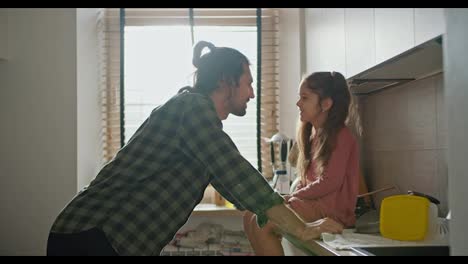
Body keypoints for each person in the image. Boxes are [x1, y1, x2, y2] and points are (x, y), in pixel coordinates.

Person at [46, 41, 343, 256]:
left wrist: (285, 216)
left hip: (101, 239)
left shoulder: (197, 116)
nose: (253, 92)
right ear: (226, 82)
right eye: (248, 83)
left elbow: (236, 187)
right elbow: (237, 173)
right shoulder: (193, 109)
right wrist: (303, 229)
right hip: (90, 237)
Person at [243, 71, 361, 256]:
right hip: (314, 206)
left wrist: (292, 196)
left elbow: (331, 182)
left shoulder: (341, 136)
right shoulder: (313, 135)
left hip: (332, 213)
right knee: (251, 214)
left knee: (263, 221)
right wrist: (291, 197)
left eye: (304, 98)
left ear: (326, 104)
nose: (298, 103)